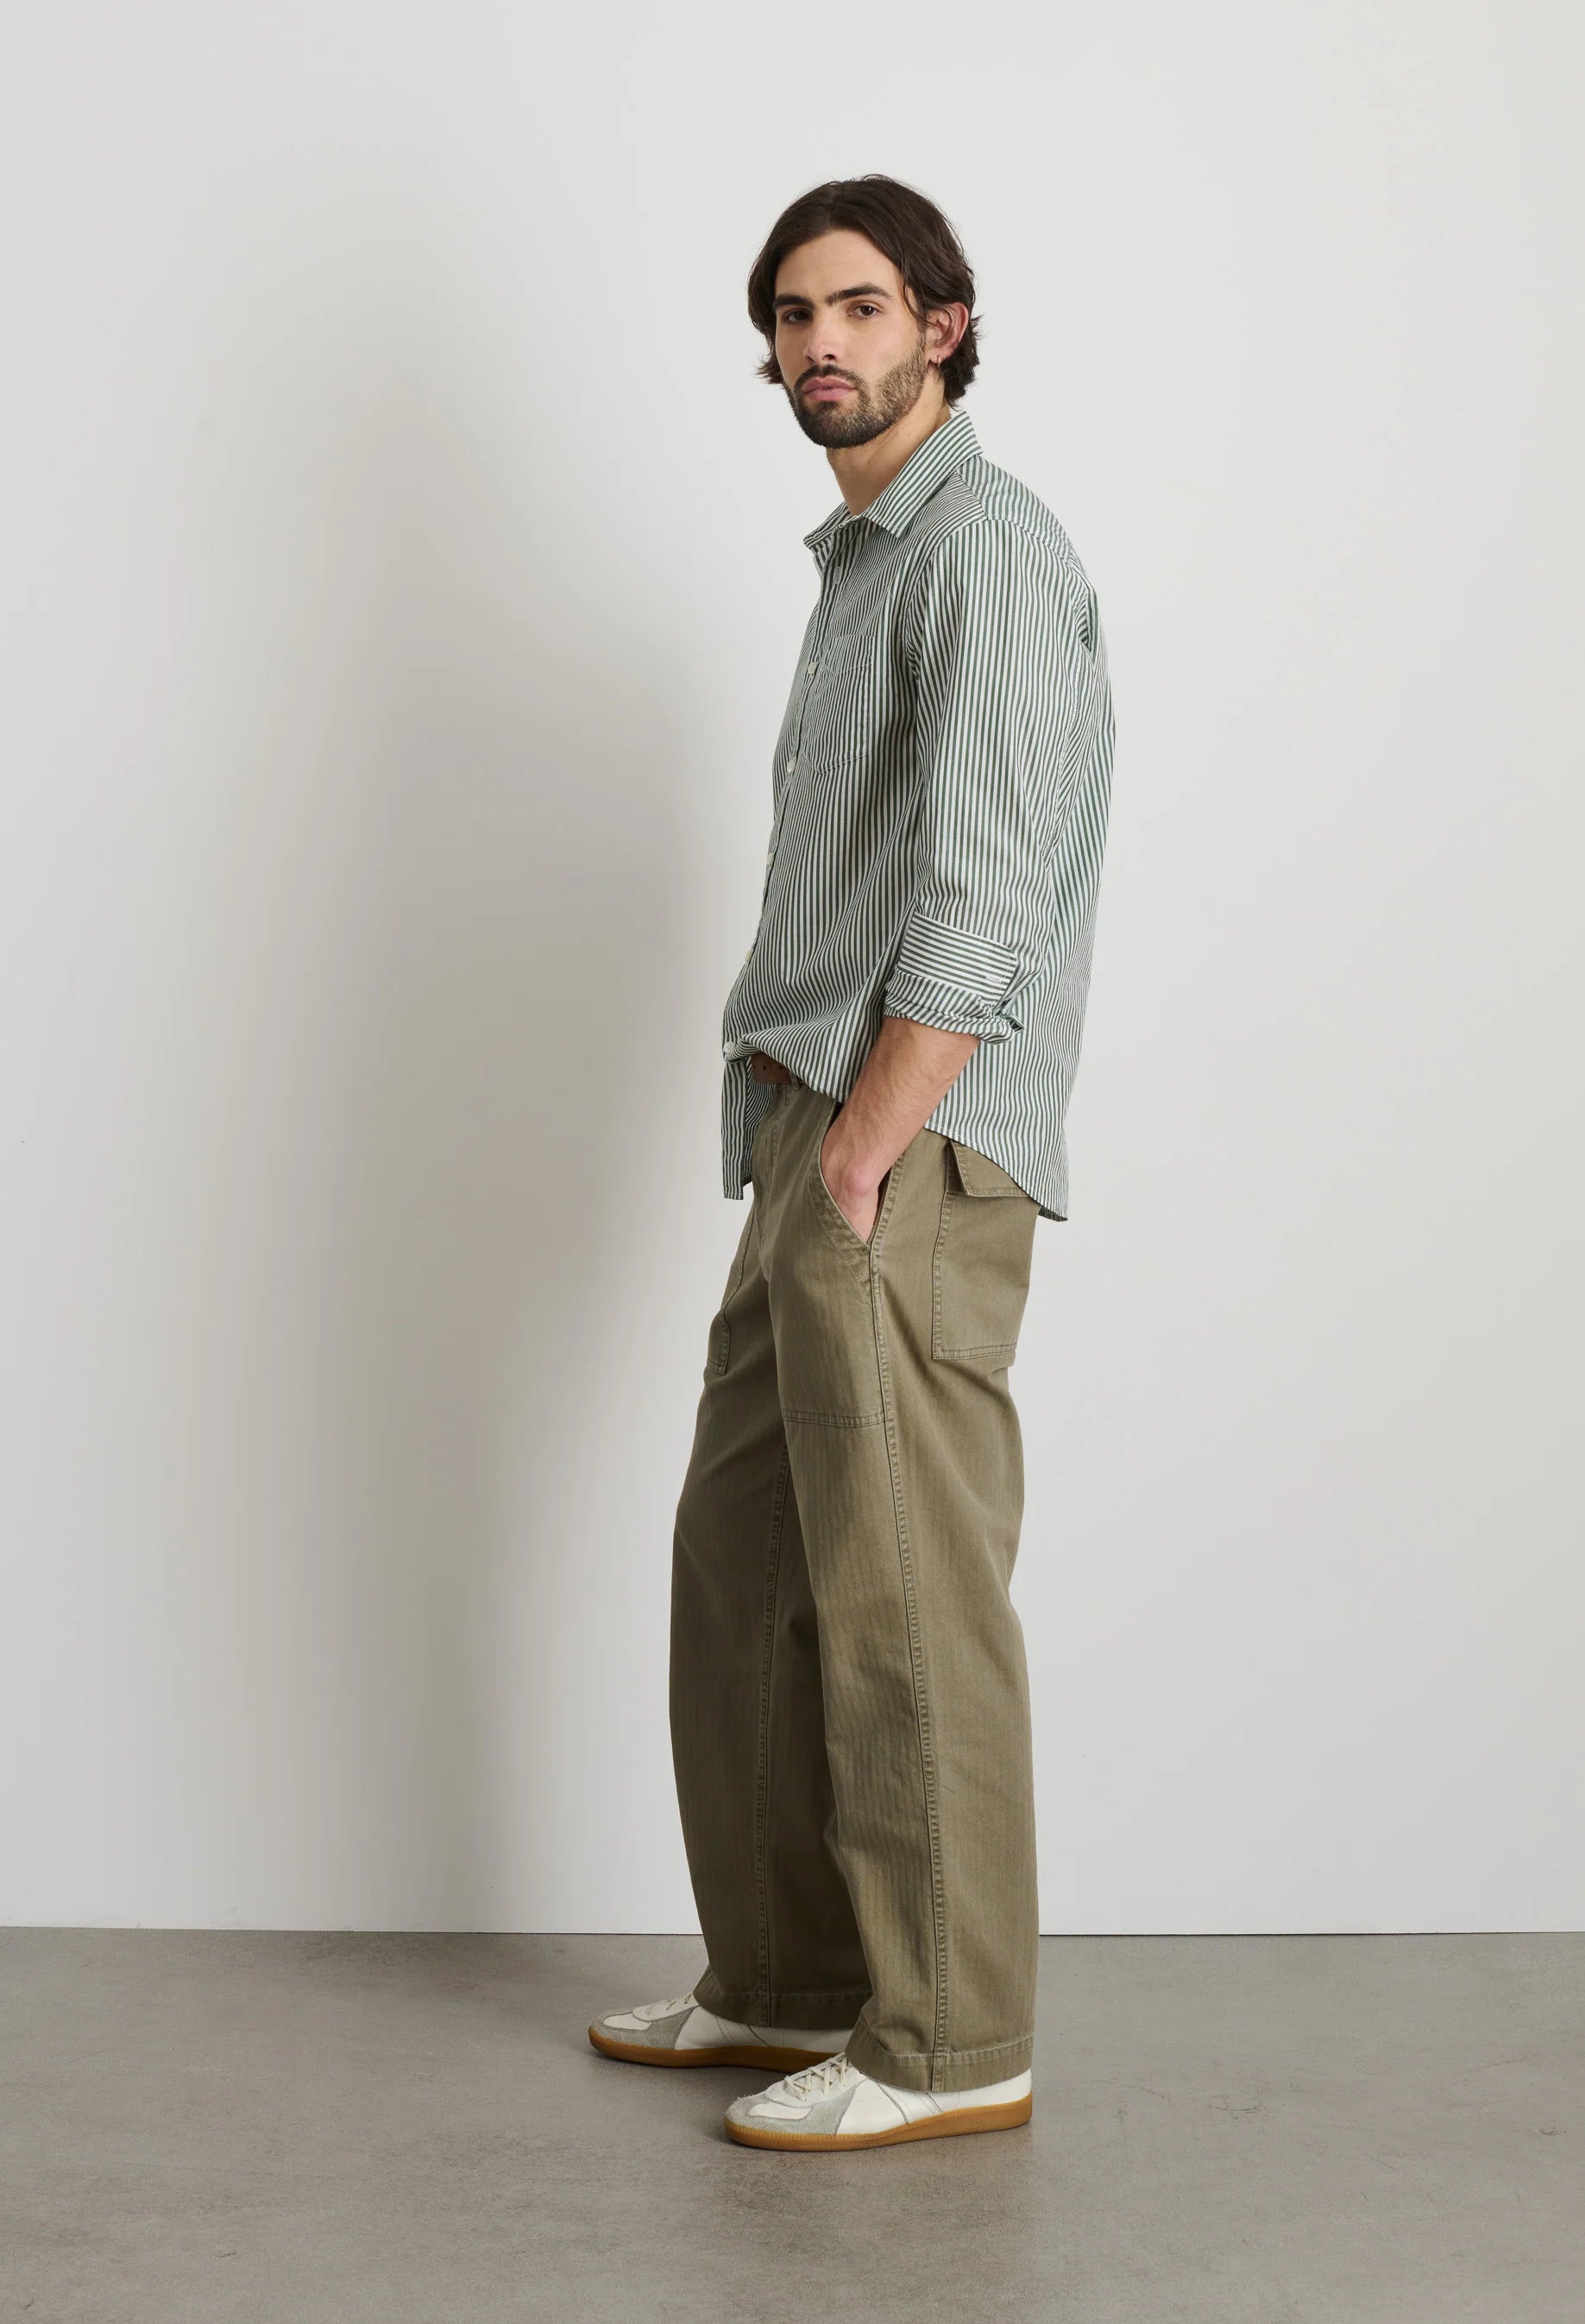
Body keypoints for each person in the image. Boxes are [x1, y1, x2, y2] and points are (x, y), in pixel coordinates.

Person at [588, 174, 1116, 2151]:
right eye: (796, 314)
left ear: (943, 326)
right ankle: (793, 1973)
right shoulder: (867, 564)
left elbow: (981, 897)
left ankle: (952, 2035)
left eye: (863, 306)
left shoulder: (984, 550)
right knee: (746, 1561)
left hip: (909, 1127)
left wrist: (875, 1141)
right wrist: (812, 1141)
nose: (823, 342)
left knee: (902, 1584)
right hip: (817, 1116)